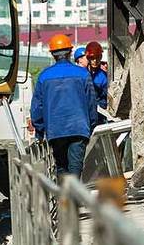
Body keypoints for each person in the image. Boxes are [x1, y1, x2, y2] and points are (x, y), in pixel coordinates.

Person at [30, 34, 97, 177]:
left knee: (62, 168)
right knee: (75, 168)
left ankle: (65, 197)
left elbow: (37, 107)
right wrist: (91, 125)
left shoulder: (44, 76)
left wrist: (40, 131)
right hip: (79, 128)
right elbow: (91, 103)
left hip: (55, 130)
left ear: (53, 54)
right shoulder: (83, 74)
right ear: (70, 52)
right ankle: (73, 197)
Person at [85, 40, 109, 113]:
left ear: (101, 57)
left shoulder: (104, 75)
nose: (95, 61)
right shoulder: (82, 74)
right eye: (92, 58)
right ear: (87, 57)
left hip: (100, 112)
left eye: (97, 57)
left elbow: (106, 98)